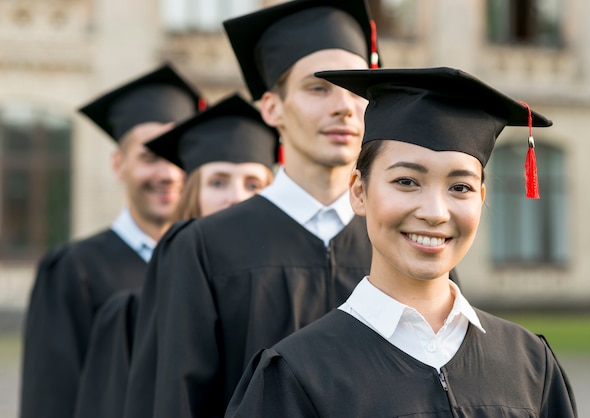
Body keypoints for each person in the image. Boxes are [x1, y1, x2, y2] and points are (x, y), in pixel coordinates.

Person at [225, 67, 578, 417]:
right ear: (359, 192)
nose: (436, 212)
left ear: (481, 197)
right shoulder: (298, 374)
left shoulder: (529, 364)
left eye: (460, 187)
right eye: (407, 181)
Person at [123, 1, 384, 417]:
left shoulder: (398, 240)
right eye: (318, 88)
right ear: (271, 108)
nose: (344, 107)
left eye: (358, 90)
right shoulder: (203, 248)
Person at [72, 92, 280, 418]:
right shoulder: (131, 314)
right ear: (191, 194)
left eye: (253, 184)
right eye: (218, 182)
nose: (236, 199)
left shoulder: (293, 293)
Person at [19, 64, 202, 418]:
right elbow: (50, 396)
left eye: (177, 158)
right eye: (149, 158)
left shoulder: (209, 265)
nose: (167, 173)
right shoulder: (74, 268)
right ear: (119, 165)